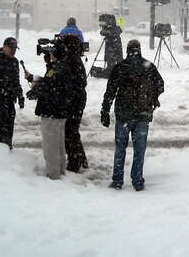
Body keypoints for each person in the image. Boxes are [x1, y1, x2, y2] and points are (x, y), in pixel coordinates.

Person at [100, 39, 164, 191]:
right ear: (139, 50)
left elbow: (110, 91)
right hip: (143, 114)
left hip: (123, 114)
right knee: (139, 150)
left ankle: (117, 181)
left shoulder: (120, 67)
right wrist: (152, 97)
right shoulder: (148, 66)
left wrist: (105, 110)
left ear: (128, 50)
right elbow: (160, 85)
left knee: (120, 148)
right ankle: (137, 181)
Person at [25, 40, 72, 180]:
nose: (49, 54)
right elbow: (50, 83)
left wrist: (36, 90)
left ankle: (53, 174)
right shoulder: (63, 67)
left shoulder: (56, 68)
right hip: (59, 111)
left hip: (51, 112)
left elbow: (50, 86)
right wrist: (33, 78)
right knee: (59, 144)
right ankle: (61, 170)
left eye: (51, 52)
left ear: (55, 54)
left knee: (51, 145)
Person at [60, 34, 89, 172]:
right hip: (77, 99)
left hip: (74, 100)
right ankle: (80, 158)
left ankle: (75, 161)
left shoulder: (70, 60)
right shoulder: (74, 59)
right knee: (72, 130)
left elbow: (68, 81)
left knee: (70, 131)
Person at [97, 13, 123, 79]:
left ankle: (111, 71)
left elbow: (103, 32)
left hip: (113, 48)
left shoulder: (112, 31)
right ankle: (113, 70)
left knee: (112, 59)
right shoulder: (113, 30)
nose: (101, 24)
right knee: (113, 59)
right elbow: (102, 32)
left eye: (102, 22)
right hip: (113, 47)